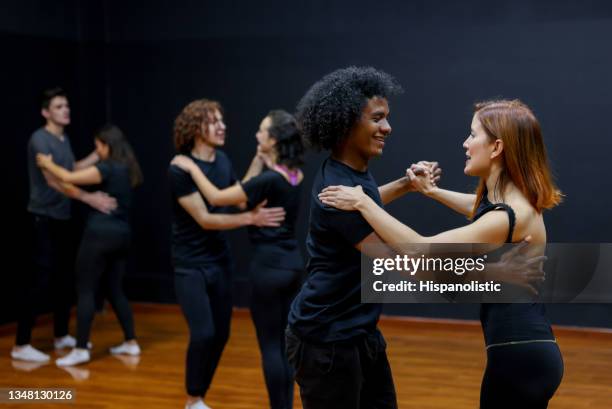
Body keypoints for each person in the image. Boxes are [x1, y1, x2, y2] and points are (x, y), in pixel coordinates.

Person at [319, 99, 564, 408]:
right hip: (529, 352)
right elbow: (478, 209)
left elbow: (421, 250)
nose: (465, 143)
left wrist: (363, 202)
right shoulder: (511, 201)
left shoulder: (508, 216)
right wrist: (430, 191)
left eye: (473, 135)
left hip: (519, 358)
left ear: (497, 147)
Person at [285, 66, 446, 409]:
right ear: (345, 124)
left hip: (359, 332)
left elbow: (366, 201)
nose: (387, 128)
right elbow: (401, 261)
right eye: (377, 119)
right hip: (326, 339)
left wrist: (406, 185)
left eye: (386, 118)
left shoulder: (352, 177)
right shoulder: (336, 193)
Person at [172, 109, 304, 409]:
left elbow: (219, 199)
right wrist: (259, 161)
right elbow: (245, 196)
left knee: (270, 346)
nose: (256, 135)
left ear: (272, 139)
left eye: (261, 131)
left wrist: (191, 169)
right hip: (293, 265)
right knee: (284, 345)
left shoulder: (268, 179)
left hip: (268, 269)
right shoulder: (294, 174)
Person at [13, 87, 117, 363]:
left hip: (63, 218)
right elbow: (55, 181)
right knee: (39, 281)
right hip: (42, 219)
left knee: (64, 278)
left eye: (67, 105)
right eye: (59, 106)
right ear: (46, 112)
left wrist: (100, 152)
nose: (66, 110)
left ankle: (60, 335)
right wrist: (90, 198)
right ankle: (21, 344)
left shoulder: (62, 139)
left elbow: (72, 170)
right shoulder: (40, 140)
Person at [36, 124, 143, 366]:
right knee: (115, 289)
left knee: (85, 288)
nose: (97, 151)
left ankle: (81, 348)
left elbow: (68, 177)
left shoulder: (107, 168)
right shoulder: (128, 168)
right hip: (123, 235)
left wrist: (46, 162)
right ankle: (131, 342)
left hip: (100, 235)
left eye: (98, 147)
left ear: (107, 146)